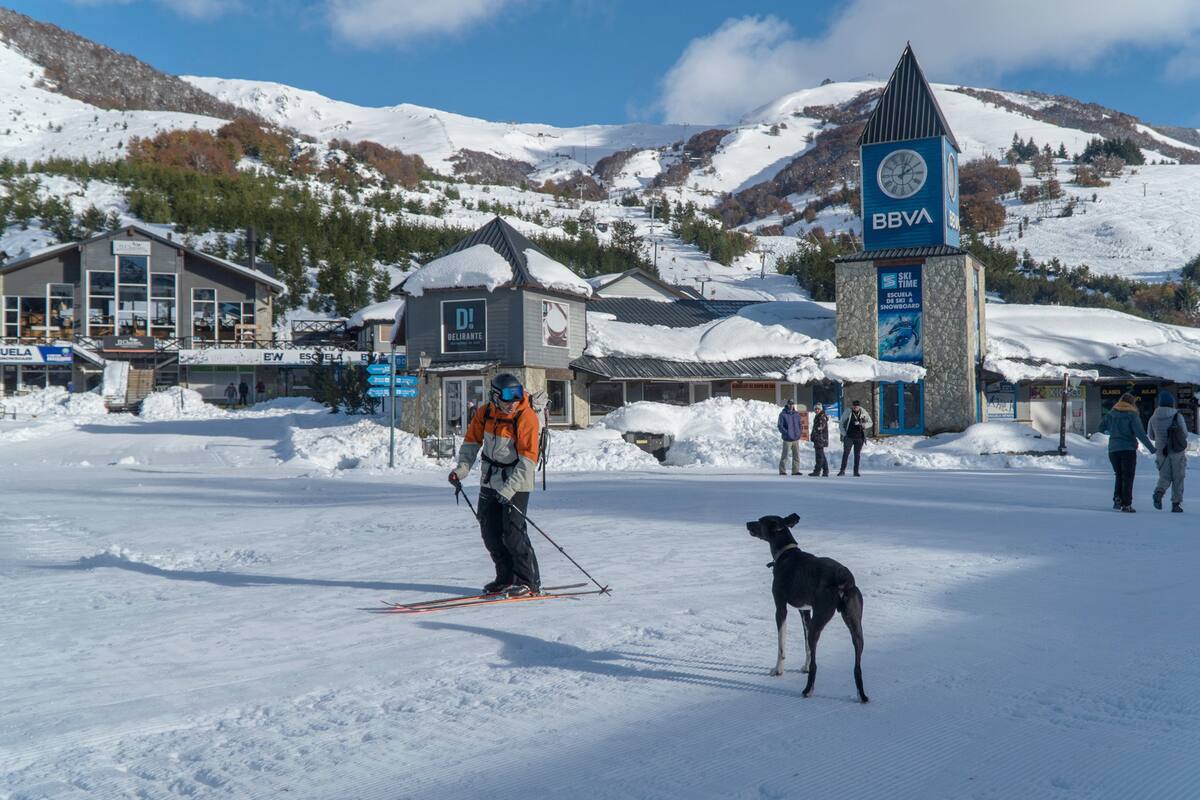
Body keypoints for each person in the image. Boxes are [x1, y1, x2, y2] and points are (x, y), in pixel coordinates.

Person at [449, 373, 542, 596]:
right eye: (507, 397)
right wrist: (461, 470)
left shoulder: (526, 417)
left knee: (513, 534)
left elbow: (528, 460)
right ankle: (505, 578)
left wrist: (509, 490)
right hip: (490, 481)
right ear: (495, 396)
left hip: (517, 483)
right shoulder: (485, 413)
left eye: (517, 396)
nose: (513, 403)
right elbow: (471, 443)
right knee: (490, 533)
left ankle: (528, 582)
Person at [1098, 392, 1155, 512]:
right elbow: (1140, 434)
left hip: (1113, 450)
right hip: (1128, 449)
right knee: (1128, 477)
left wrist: (1112, 432)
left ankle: (1117, 498)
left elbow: (1101, 428)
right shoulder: (1132, 415)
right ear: (1132, 403)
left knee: (1119, 475)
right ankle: (1126, 504)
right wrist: (1152, 449)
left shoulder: (1111, 414)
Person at [1147, 391, 1187, 512]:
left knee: (1164, 476)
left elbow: (1151, 436)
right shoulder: (1177, 416)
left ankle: (1159, 493)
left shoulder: (1153, 417)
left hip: (1161, 451)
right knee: (1178, 477)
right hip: (1176, 450)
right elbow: (1184, 434)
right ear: (1171, 403)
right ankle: (1176, 504)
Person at [838, 399, 872, 477]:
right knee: (846, 454)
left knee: (857, 455)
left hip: (859, 437)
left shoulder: (863, 412)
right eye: (854, 406)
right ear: (852, 406)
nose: (855, 408)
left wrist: (864, 425)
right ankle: (842, 470)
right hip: (849, 437)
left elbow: (870, 423)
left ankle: (856, 471)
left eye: (857, 406)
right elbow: (841, 423)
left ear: (859, 407)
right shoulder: (848, 412)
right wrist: (844, 434)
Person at [777, 399, 803, 475]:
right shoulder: (783, 414)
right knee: (785, 455)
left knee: (796, 456)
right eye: (790, 404)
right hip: (787, 439)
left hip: (795, 438)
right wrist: (786, 433)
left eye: (792, 404)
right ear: (787, 404)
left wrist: (799, 432)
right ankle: (782, 471)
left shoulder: (796, 414)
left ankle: (795, 471)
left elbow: (800, 424)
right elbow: (780, 426)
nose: (791, 405)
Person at [809, 402, 830, 477]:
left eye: (818, 409)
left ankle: (817, 471)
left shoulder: (821, 417)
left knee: (819, 456)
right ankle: (826, 471)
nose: (817, 410)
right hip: (818, 439)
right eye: (815, 409)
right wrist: (813, 436)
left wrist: (816, 435)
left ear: (821, 409)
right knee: (821, 455)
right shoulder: (818, 416)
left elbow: (820, 427)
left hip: (820, 439)